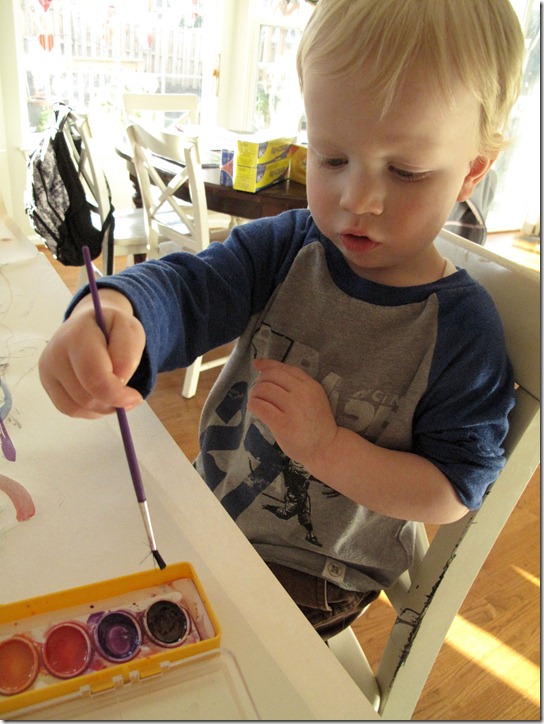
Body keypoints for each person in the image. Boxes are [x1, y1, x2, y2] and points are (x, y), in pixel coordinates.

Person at [39, 0, 525, 639]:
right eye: (330, 158)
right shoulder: (286, 249)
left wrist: (327, 448)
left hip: (317, 572)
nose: (357, 199)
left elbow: (453, 490)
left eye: (405, 172)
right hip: (214, 510)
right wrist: (117, 310)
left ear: (470, 173)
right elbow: (191, 288)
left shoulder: (462, 331)